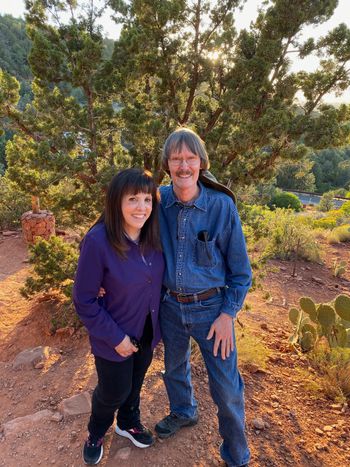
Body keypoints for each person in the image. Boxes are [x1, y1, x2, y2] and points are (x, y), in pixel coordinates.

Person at [155, 128, 252, 467]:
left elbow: (241, 273)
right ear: (167, 164)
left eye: (190, 158)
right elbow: (118, 221)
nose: (183, 166)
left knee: (226, 388)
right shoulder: (156, 201)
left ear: (201, 162)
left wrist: (228, 315)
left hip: (212, 311)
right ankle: (183, 411)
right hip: (169, 306)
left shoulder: (221, 207)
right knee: (174, 369)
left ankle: (237, 455)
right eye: (176, 159)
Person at [73, 168, 164, 465]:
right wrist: (117, 338)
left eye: (148, 199)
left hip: (148, 328)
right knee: (113, 391)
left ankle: (127, 422)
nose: (142, 207)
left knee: (135, 383)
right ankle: (96, 432)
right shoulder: (98, 241)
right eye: (133, 199)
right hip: (112, 335)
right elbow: (84, 300)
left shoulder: (153, 236)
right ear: (116, 202)